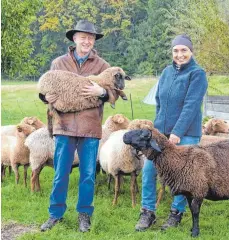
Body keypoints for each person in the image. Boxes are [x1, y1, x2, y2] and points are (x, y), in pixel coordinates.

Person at [40, 20, 112, 233]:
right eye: (83, 36)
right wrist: (45, 97)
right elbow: (47, 87)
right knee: (60, 172)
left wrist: (102, 93)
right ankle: (55, 214)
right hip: (64, 125)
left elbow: (113, 91)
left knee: (88, 174)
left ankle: (84, 215)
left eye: (91, 37)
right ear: (74, 38)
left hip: (90, 128)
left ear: (94, 41)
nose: (87, 40)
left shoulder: (103, 66)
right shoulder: (58, 63)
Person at [135, 34, 208, 231]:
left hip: (185, 133)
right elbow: (159, 101)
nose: (179, 54)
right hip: (162, 133)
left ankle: (176, 213)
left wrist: (177, 132)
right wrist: (157, 130)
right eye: (176, 50)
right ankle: (147, 212)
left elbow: (191, 106)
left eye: (184, 50)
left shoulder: (197, 74)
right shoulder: (166, 72)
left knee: (181, 175)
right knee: (149, 170)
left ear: (191, 51)